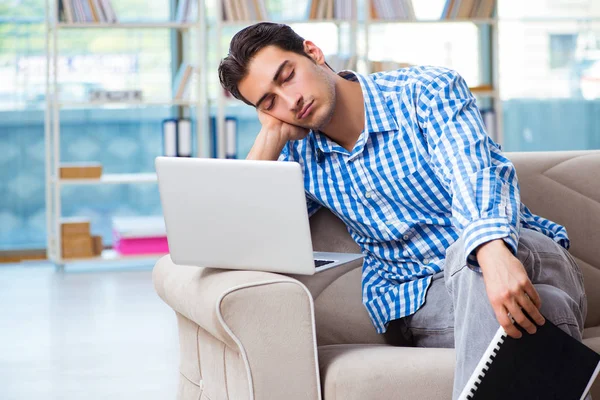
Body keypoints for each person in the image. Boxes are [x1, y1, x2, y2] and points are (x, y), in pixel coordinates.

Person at [218, 22, 589, 399]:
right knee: (551, 309)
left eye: (288, 77)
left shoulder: (425, 92)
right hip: (429, 299)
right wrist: (270, 136)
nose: (290, 100)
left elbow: (473, 171)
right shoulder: (298, 156)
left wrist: (489, 248)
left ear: (313, 52)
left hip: (520, 252)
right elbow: (243, 239)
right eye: (270, 103)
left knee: (470, 254)